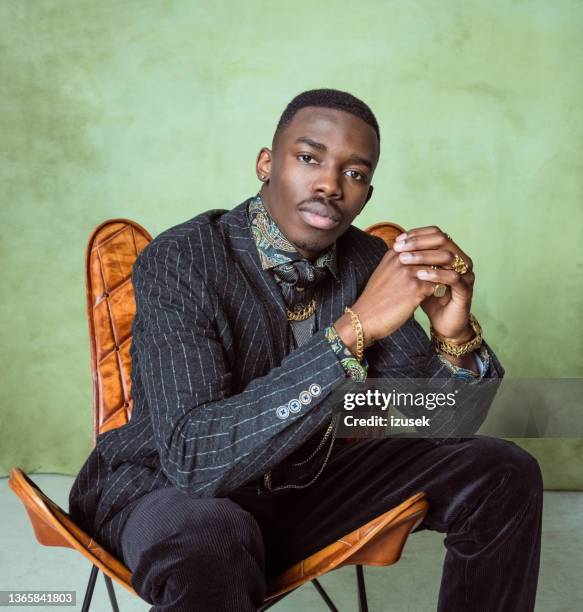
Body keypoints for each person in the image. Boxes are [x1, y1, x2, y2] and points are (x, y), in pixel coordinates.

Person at [69, 88, 542, 611]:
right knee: (210, 539)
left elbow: (434, 423)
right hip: (167, 491)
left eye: (355, 173)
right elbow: (193, 458)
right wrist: (352, 331)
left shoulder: (367, 260)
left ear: (367, 191)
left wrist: (454, 336)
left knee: (501, 470)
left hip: (304, 485)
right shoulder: (184, 259)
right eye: (309, 158)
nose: (329, 184)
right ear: (266, 164)